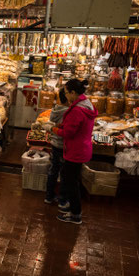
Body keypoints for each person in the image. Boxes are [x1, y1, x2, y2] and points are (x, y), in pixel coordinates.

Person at [51, 79, 98, 225]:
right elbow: (73, 126)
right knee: (72, 179)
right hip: (81, 148)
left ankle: (75, 215)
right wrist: (60, 125)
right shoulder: (86, 104)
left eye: (66, 92)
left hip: (75, 150)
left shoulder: (78, 109)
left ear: (73, 92)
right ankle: (72, 207)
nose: (65, 95)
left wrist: (51, 129)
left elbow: (69, 133)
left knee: (71, 182)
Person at [44, 89, 70, 206]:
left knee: (53, 170)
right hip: (64, 145)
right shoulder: (68, 112)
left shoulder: (56, 109)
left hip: (54, 143)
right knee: (64, 173)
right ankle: (62, 199)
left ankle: (49, 196)